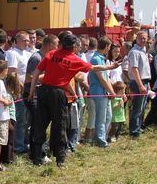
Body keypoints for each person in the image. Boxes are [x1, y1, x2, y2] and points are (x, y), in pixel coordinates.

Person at [28, 33, 119, 166]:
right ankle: (60, 159)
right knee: (60, 126)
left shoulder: (51, 54)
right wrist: (110, 67)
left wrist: (32, 92)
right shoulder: (73, 59)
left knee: (40, 124)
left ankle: (37, 158)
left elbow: (36, 73)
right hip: (58, 94)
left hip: (43, 91)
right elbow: (93, 68)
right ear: (72, 46)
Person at [87, 37, 117, 147]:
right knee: (101, 117)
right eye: (109, 47)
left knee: (108, 116)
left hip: (104, 92)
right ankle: (100, 140)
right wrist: (111, 91)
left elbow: (106, 77)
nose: (109, 49)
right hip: (98, 91)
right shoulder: (96, 59)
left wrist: (111, 90)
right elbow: (101, 78)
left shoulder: (101, 58)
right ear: (106, 46)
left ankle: (100, 137)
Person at [6, 31, 32, 153]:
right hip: (19, 91)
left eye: (28, 40)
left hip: (28, 89)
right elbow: (12, 73)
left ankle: (24, 142)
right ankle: (17, 146)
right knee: (20, 118)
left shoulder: (27, 54)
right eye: (24, 40)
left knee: (27, 119)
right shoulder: (12, 53)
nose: (27, 42)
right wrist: (22, 87)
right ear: (17, 41)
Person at [127, 30, 151, 138]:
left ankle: (139, 127)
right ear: (136, 39)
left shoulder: (144, 51)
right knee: (137, 108)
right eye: (141, 38)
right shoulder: (134, 51)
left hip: (145, 81)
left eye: (145, 38)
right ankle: (134, 131)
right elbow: (134, 69)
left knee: (142, 107)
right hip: (137, 83)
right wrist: (140, 85)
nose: (143, 40)